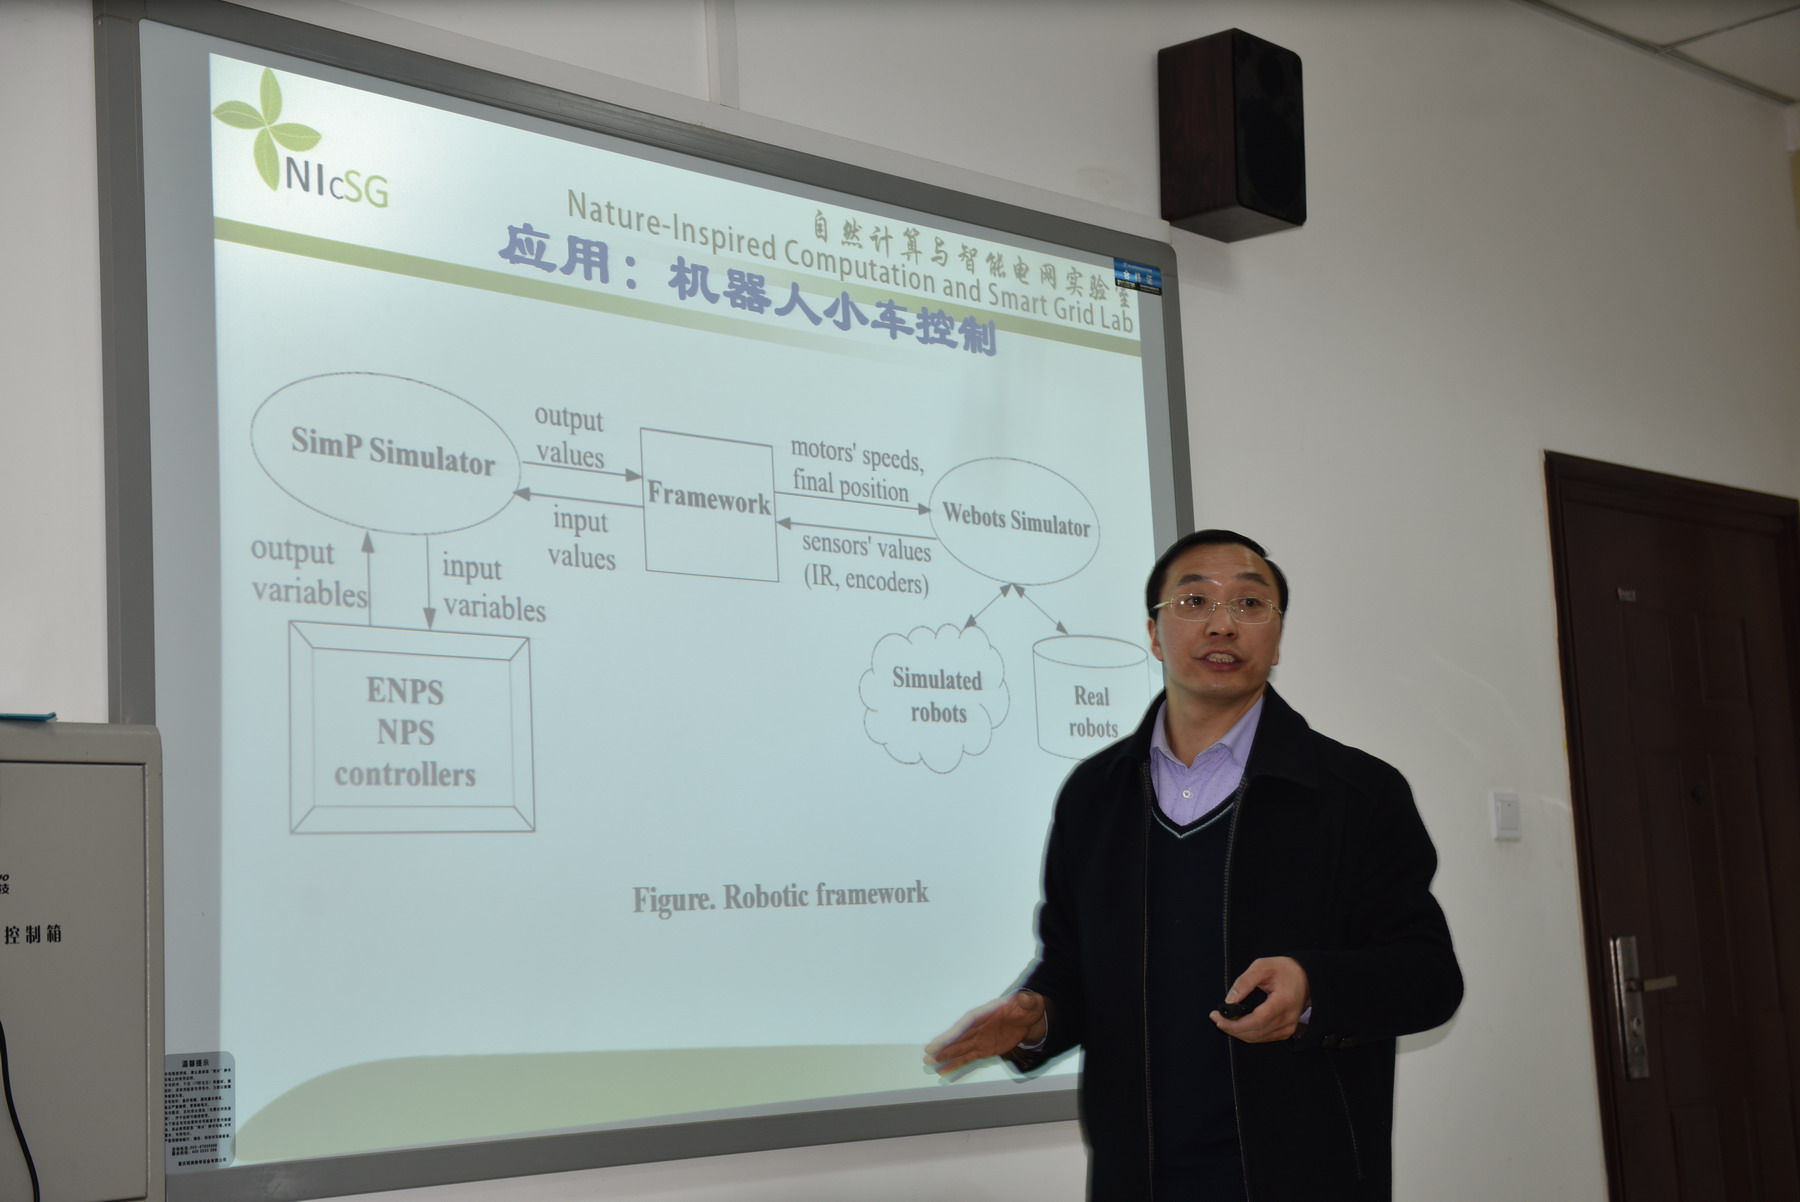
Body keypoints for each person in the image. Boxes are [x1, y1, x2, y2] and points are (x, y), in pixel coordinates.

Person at [929, 530, 1462, 1201]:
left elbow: (1428, 977)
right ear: (1154, 635)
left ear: (1277, 638)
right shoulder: (1095, 796)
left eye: (1250, 603)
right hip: (1139, 1175)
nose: (1221, 624)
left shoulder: (1356, 793)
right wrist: (1036, 1017)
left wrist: (1312, 986)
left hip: (1305, 1175)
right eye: (1193, 601)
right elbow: (1072, 966)